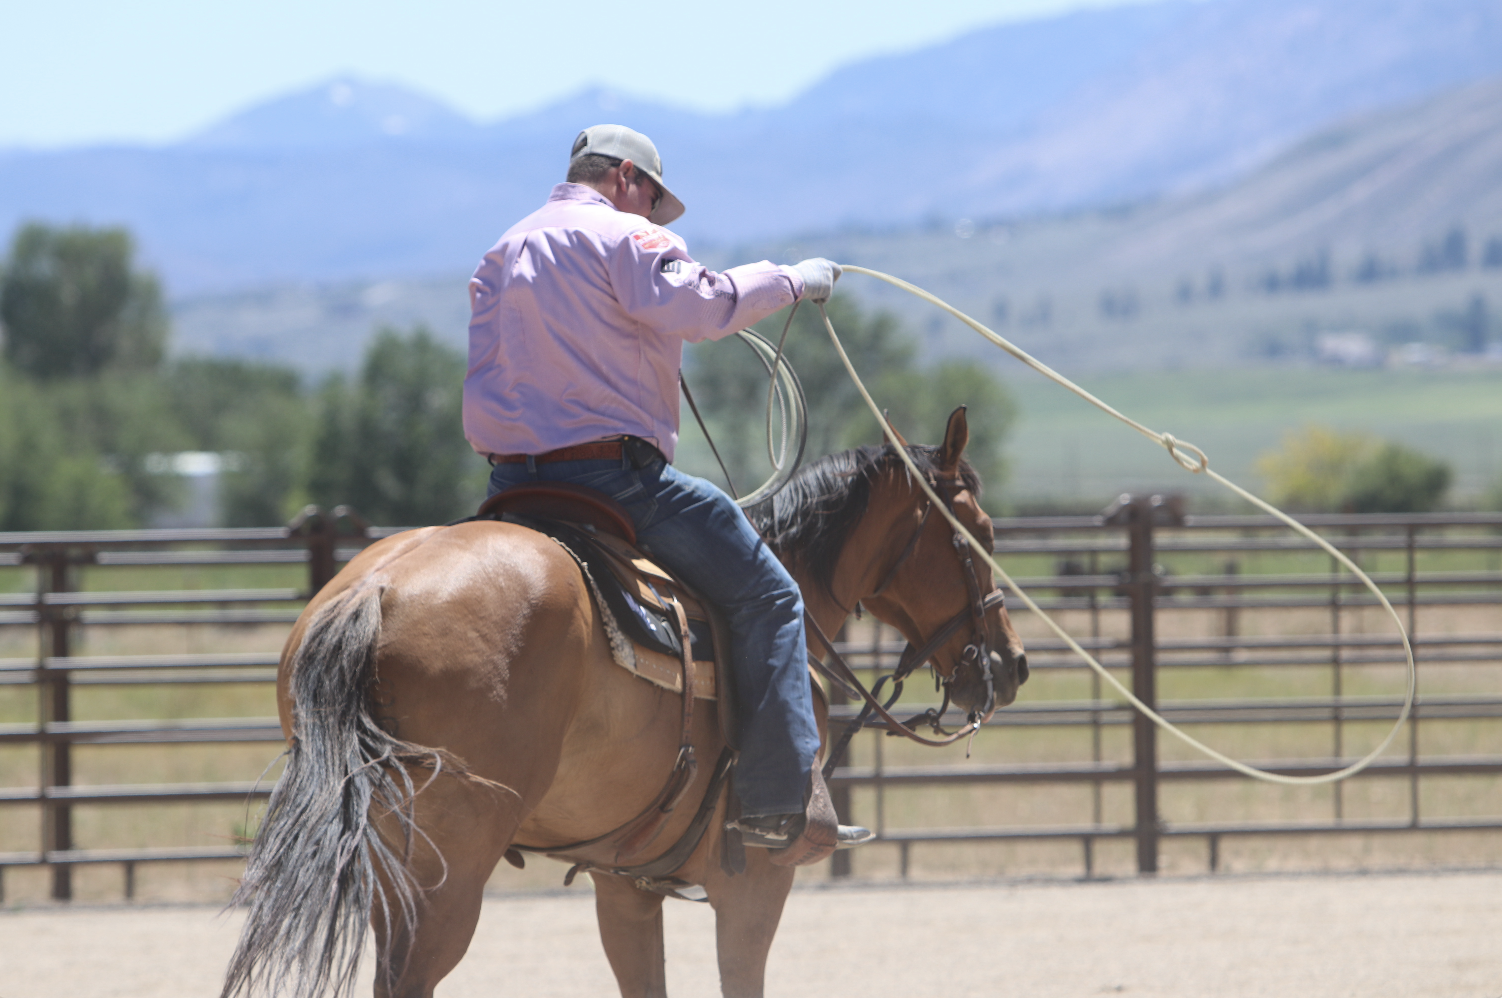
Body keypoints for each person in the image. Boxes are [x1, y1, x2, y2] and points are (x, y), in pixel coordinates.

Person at [464, 124, 871, 855]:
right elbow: (706, 307)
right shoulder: (626, 238)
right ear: (627, 178)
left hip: (509, 485)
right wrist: (791, 280)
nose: (653, 215)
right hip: (614, 480)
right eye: (653, 199)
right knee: (770, 596)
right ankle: (779, 800)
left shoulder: (503, 251)